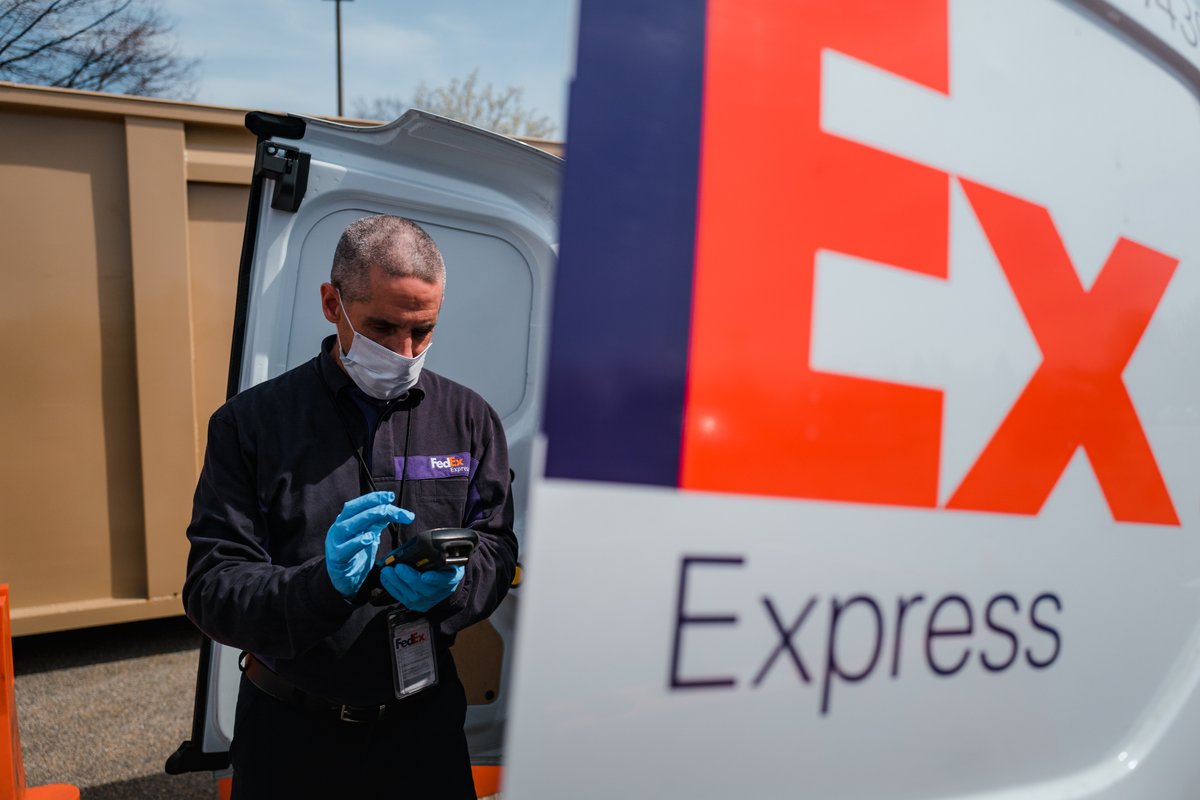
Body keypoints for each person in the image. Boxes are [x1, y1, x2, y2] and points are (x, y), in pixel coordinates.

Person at [182, 214, 518, 799]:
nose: (405, 351)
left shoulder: (469, 420)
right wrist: (322, 587)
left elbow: (496, 544)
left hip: (423, 729)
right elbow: (212, 588)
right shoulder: (251, 426)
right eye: (382, 327)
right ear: (332, 303)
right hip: (293, 736)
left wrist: (458, 585)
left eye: (424, 331)